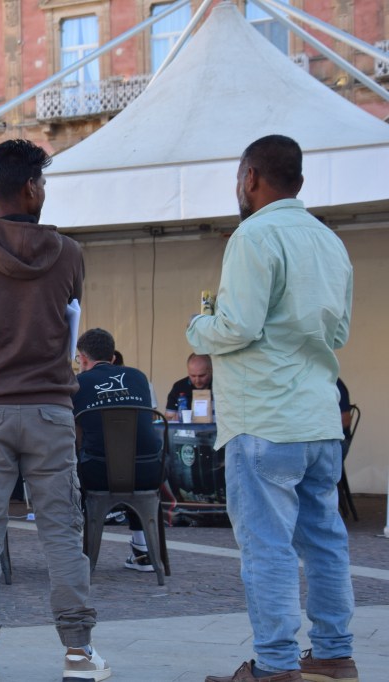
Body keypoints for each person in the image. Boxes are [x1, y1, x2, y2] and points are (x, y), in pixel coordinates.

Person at [0, 139, 108, 682]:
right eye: (44, 181)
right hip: (50, 408)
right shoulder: (70, 254)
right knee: (62, 531)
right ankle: (79, 653)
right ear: (32, 187)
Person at [187, 135, 356, 682]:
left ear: (250, 178)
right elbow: (339, 333)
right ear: (299, 182)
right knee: (325, 541)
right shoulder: (330, 241)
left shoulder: (254, 235)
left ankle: (276, 666)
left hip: (263, 418)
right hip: (319, 419)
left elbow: (237, 326)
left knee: (267, 548)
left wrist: (198, 327)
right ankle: (334, 655)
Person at [72, 328, 163, 572]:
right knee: (128, 456)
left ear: (82, 358)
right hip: (149, 472)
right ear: (113, 357)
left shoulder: (78, 383)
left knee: (67, 471)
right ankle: (143, 550)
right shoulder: (138, 377)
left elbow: (75, 436)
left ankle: (70, 553)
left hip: (98, 474)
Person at [164, 353, 212, 420]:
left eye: (202, 376)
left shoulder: (220, 386)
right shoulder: (179, 387)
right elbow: (168, 417)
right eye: (193, 376)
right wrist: (172, 418)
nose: (197, 380)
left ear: (211, 370)